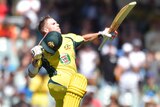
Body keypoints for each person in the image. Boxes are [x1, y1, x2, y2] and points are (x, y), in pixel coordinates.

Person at [27, 15, 118, 107]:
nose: (57, 24)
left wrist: (101, 34)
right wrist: (36, 59)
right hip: (59, 81)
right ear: (46, 30)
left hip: (65, 87)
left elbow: (85, 38)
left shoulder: (68, 38)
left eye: (57, 22)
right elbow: (31, 73)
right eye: (53, 23)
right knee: (80, 80)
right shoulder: (41, 48)